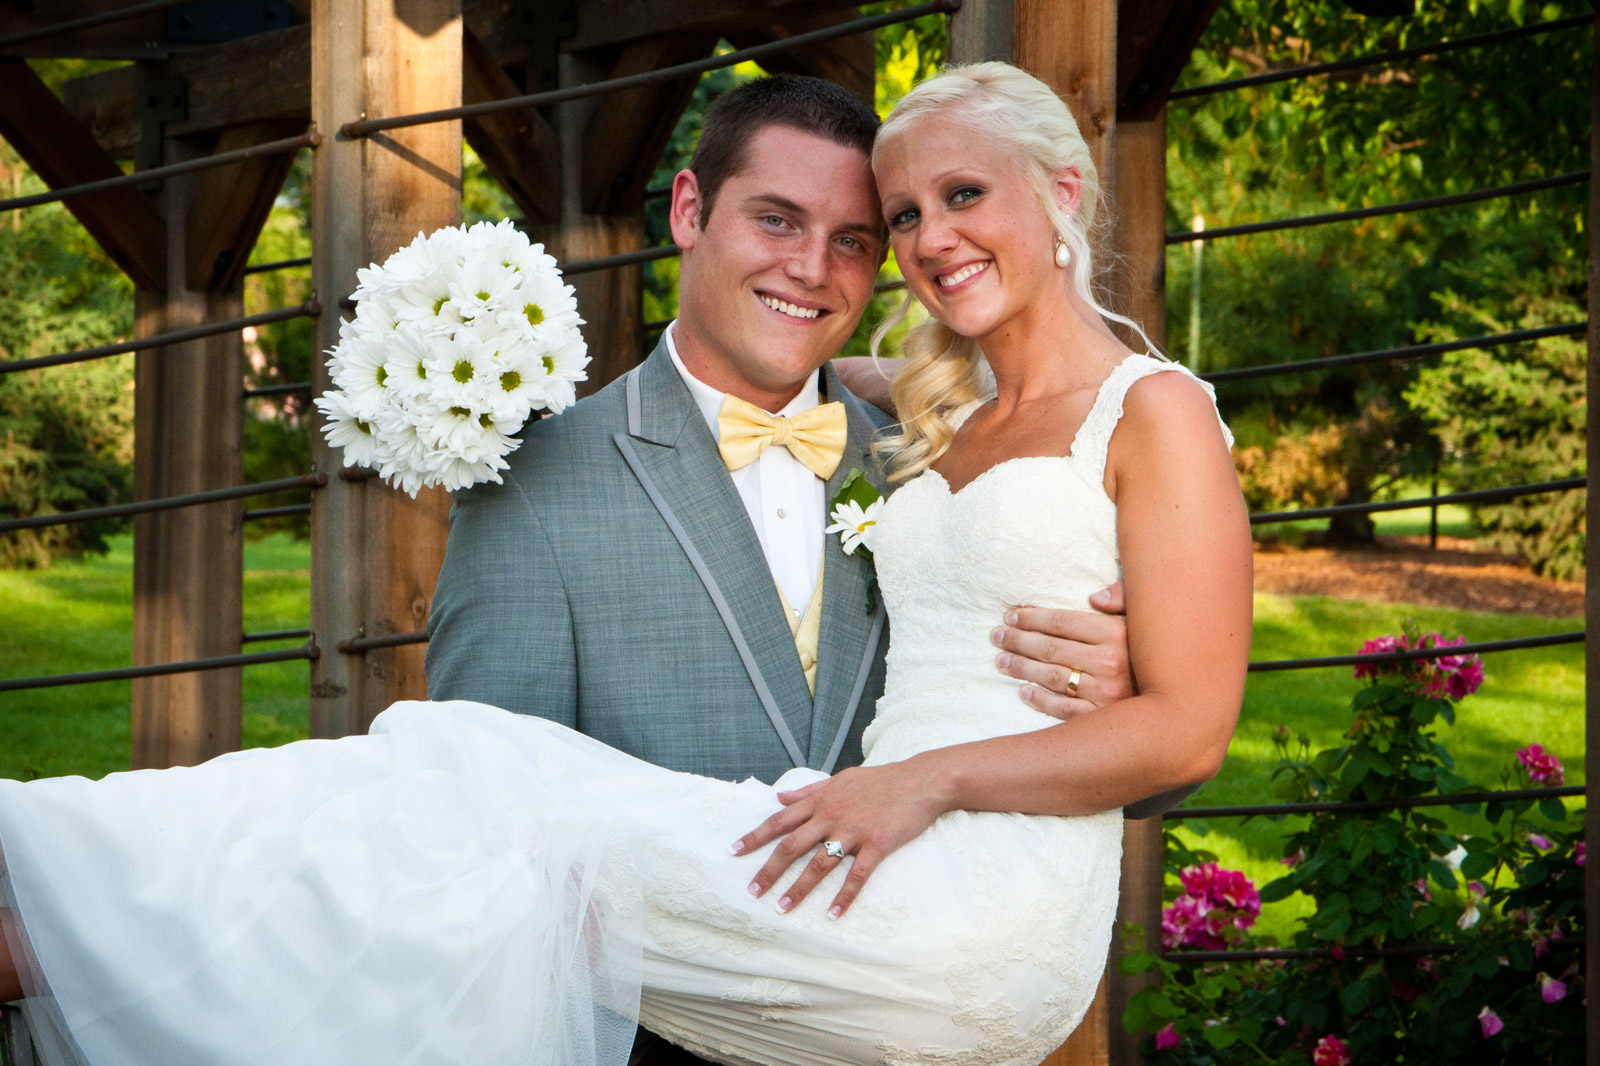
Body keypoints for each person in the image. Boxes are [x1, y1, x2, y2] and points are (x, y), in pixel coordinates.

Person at [0, 63, 1251, 1066]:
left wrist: (1115, 682)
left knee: (473, 776)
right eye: (783, 220)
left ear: (1067, 194)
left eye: (865, 235)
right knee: (463, 776)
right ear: (691, 213)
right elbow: (453, 879)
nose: (823, 267)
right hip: (679, 1010)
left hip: (940, 933)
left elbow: (1168, 728)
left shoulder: (936, 446)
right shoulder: (906, 430)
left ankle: (53, 912)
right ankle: (54, 903)